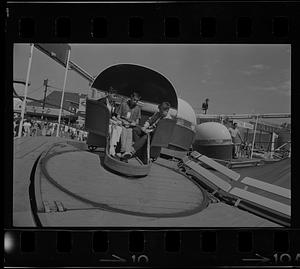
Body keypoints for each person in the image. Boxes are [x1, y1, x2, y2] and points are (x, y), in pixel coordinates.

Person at [98, 87, 123, 156]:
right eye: (113, 95)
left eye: (115, 96)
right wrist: (111, 121)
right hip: (102, 122)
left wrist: (118, 121)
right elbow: (101, 115)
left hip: (108, 122)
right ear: (108, 94)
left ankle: (113, 146)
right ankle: (112, 149)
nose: (115, 97)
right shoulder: (102, 102)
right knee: (114, 128)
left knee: (119, 128)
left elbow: (112, 115)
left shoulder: (112, 103)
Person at [116, 91, 142, 160]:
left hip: (130, 125)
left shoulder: (137, 108)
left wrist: (134, 123)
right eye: (134, 100)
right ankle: (123, 150)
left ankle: (126, 152)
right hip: (122, 123)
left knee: (129, 135)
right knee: (124, 132)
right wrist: (123, 121)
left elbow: (137, 121)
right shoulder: (123, 104)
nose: (135, 102)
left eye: (137, 101)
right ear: (131, 98)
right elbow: (118, 116)